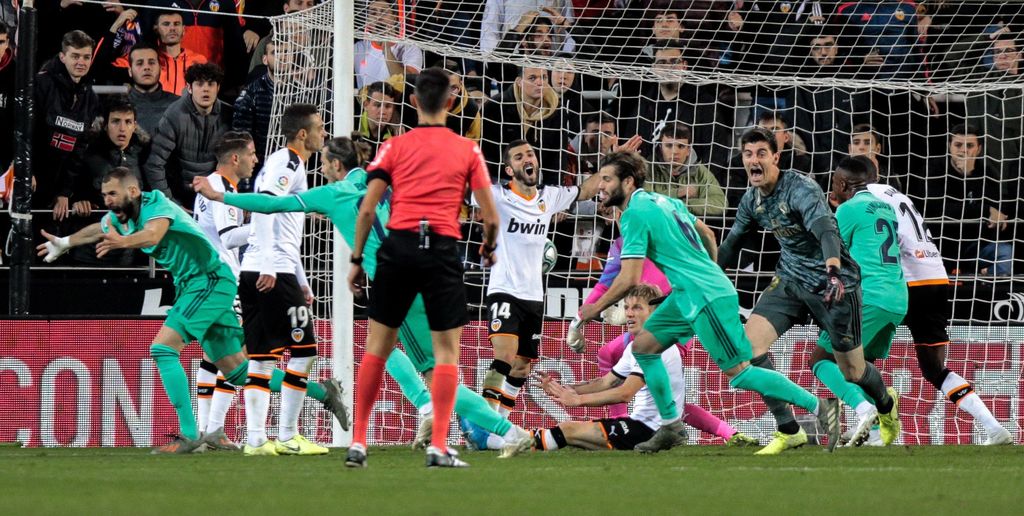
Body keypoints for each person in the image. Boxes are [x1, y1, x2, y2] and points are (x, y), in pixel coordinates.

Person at [194, 134, 534, 458]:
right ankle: (432, 408)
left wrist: (221, 196)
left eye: (325, 164)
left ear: (337, 166)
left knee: (437, 375)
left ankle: (507, 431)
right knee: (380, 346)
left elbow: (271, 205)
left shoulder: (334, 193)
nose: (322, 170)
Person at [578, 150, 840, 454]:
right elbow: (707, 233)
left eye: (607, 179)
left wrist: (588, 312)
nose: (600, 185)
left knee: (740, 373)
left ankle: (820, 407)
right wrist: (709, 270)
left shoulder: (634, 214)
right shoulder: (664, 201)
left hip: (704, 295)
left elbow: (629, 279)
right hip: (686, 293)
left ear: (628, 181)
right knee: (643, 348)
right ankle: (672, 426)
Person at [346, 68, 503, 468]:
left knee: (376, 351)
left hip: (397, 248)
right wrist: (488, 249)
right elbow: (490, 217)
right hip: (441, 250)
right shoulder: (468, 149)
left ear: (413, 101)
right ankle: (438, 445)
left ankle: (359, 442)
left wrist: (355, 259)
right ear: (451, 103)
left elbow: (367, 207)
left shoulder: (393, 146)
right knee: (446, 354)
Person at [37, 167, 250, 454]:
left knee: (163, 349)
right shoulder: (121, 217)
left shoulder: (157, 205)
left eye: (113, 193)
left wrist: (121, 242)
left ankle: (189, 436)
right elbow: (98, 227)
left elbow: (153, 235)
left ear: (133, 191)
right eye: (104, 195)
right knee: (237, 372)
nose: (107, 200)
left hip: (209, 279)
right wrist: (66, 242)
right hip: (194, 284)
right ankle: (319, 391)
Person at [717, 127, 898, 455]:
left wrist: (832, 269)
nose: (753, 160)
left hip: (835, 285)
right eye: (748, 154)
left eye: (761, 153)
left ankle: (886, 405)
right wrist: (708, 277)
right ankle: (788, 428)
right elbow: (732, 245)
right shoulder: (751, 201)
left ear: (775, 156)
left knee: (853, 371)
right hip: (790, 282)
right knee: (749, 347)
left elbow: (826, 230)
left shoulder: (800, 189)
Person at [191, 130, 350, 451]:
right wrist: (271, 222)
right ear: (235, 158)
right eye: (250, 154)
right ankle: (315, 397)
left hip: (213, 282)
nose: (255, 160)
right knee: (242, 364)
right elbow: (229, 237)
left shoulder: (215, 186)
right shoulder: (221, 188)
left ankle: (209, 431)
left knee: (216, 360)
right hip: (229, 282)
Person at [865, 160, 1013, 446]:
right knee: (934, 368)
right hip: (935, 276)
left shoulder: (866, 200)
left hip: (903, 283)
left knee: (855, 357)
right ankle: (994, 427)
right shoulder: (899, 195)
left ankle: (871, 429)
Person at [568, 233, 757, 448]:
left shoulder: (670, 238)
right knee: (613, 358)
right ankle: (624, 423)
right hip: (644, 317)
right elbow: (604, 285)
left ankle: (730, 433)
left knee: (667, 399)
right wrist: (579, 319)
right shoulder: (622, 243)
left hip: (671, 323)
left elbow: (689, 275)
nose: (618, 217)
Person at [478, 140, 600, 418]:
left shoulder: (550, 196)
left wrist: (615, 160)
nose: (527, 158)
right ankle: (484, 423)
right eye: (519, 157)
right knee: (505, 356)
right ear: (509, 170)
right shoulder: (496, 195)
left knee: (522, 366)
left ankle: (500, 421)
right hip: (504, 289)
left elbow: (588, 189)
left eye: (530, 153)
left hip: (533, 295)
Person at [236, 103, 326, 456]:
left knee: (261, 359)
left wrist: (301, 277)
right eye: (319, 128)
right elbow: (262, 205)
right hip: (272, 271)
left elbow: (285, 229)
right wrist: (274, 267)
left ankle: (256, 440)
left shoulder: (283, 162)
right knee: (304, 353)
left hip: (256, 268)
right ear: (302, 133)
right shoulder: (288, 163)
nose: (323, 134)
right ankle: (288, 436)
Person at [814, 156, 907, 447]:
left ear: (842, 184)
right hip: (896, 298)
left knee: (822, 359)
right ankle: (878, 431)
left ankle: (865, 410)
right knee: (863, 365)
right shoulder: (886, 208)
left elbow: (831, 254)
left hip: (869, 296)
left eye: (834, 184)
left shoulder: (846, 209)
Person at [537, 285, 687, 451]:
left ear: (655, 312)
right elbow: (606, 382)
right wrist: (563, 389)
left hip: (650, 430)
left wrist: (578, 400)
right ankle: (520, 442)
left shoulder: (658, 345)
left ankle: (516, 443)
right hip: (641, 425)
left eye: (637, 307)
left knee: (568, 431)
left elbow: (625, 393)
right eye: (626, 307)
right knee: (571, 436)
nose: (629, 313)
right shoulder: (638, 345)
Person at [915, 124, 1013, 276]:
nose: (964, 150)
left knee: (1005, 253)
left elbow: (996, 209)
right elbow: (942, 209)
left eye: (970, 145)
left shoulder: (987, 172)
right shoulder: (933, 168)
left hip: (975, 244)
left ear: (979, 149)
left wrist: (969, 174)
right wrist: (985, 210)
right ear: (949, 146)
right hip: (938, 245)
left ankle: (985, 286)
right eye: (958, 145)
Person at [145, 63, 233, 207]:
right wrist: (170, 204)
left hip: (214, 194)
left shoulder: (228, 114)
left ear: (218, 88)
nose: (205, 89)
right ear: (189, 88)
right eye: (199, 84)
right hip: (178, 194)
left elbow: (236, 162)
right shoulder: (174, 115)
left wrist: (231, 197)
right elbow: (154, 164)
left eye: (211, 84)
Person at [35, 30, 101, 212]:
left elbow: (79, 148)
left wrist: (65, 191)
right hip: (32, 177)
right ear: (62, 57)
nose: (81, 62)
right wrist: (26, 172)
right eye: (75, 56)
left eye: (86, 57)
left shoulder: (90, 96)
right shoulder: (42, 84)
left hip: (57, 183)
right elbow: (26, 132)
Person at [647, 121, 726, 218]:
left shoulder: (700, 172)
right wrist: (678, 192)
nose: (674, 152)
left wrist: (683, 205)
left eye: (681, 146)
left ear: (688, 150)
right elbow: (645, 201)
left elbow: (720, 203)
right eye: (669, 146)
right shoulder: (648, 168)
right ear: (660, 147)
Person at [353, 0, 423, 88]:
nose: (379, 17)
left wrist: (387, 50)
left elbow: (408, 83)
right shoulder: (358, 48)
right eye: (373, 13)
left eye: (384, 12)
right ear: (368, 21)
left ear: (394, 18)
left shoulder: (411, 49)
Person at [233, 41, 279, 160]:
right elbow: (241, 137)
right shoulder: (250, 94)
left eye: (286, 52)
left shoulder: (301, 93)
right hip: (260, 165)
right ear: (265, 59)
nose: (281, 57)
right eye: (275, 53)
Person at [125, 42, 179, 136]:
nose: (146, 67)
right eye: (139, 63)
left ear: (160, 68)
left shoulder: (178, 105)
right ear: (130, 71)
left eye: (151, 63)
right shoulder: (117, 106)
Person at [151, 11, 207, 96]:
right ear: (156, 30)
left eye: (176, 24)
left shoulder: (199, 60)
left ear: (183, 29)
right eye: (166, 24)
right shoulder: (148, 59)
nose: (172, 28)